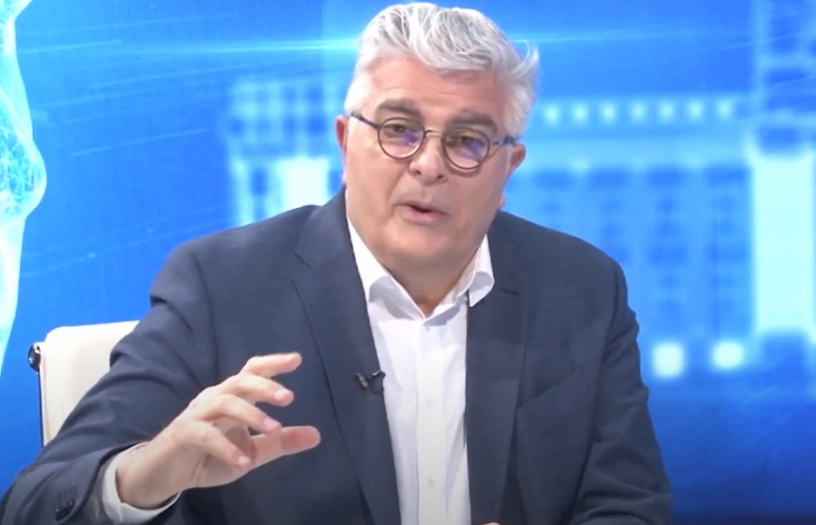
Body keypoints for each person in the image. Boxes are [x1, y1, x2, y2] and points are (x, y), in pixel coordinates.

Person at [0, 3, 673, 525]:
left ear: (508, 168)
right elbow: (34, 502)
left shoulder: (583, 289)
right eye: (399, 129)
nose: (429, 164)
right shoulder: (219, 287)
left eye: (468, 140)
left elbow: (630, 505)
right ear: (347, 142)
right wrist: (147, 473)